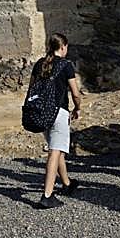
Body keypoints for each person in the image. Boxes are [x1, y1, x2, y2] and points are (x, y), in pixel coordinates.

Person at [31, 33, 83, 208]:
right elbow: (75, 92)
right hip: (59, 112)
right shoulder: (66, 65)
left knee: (57, 147)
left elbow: (32, 88)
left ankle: (67, 183)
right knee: (55, 151)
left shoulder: (39, 64)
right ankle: (47, 194)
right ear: (63, 47)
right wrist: (77, 108)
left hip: (42, 112)